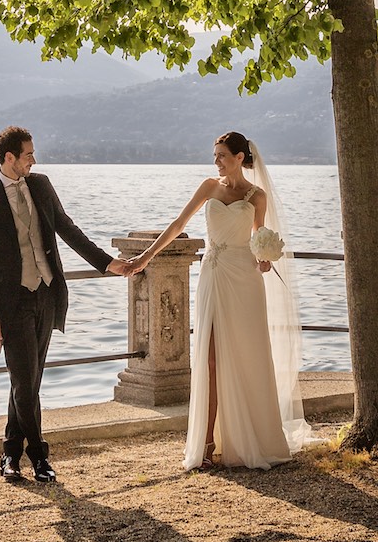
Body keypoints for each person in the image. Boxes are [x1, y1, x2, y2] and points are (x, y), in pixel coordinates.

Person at [131, 131, 312, 471]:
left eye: (222, 155)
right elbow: (177, 225)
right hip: (214, 275)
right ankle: (208, 443)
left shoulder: (257, 196)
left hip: (244, 280)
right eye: (215, 155)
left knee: (247, 356)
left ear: (240, 157)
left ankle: (251, 438)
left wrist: (265, 258)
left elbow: (259, 237)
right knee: (211, 360)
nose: (216, 161)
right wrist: (144, 258)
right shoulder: (208, 187)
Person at [0, 125, 132, 485]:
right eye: (28, 154)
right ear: (9, 157)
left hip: (46, 293)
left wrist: (107, 263)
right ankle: (39, 457)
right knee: (25, 382)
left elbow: (68, 229)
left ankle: (9, 453)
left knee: (27, 380)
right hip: (11, 302)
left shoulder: (41, 185)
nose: (34, 159)